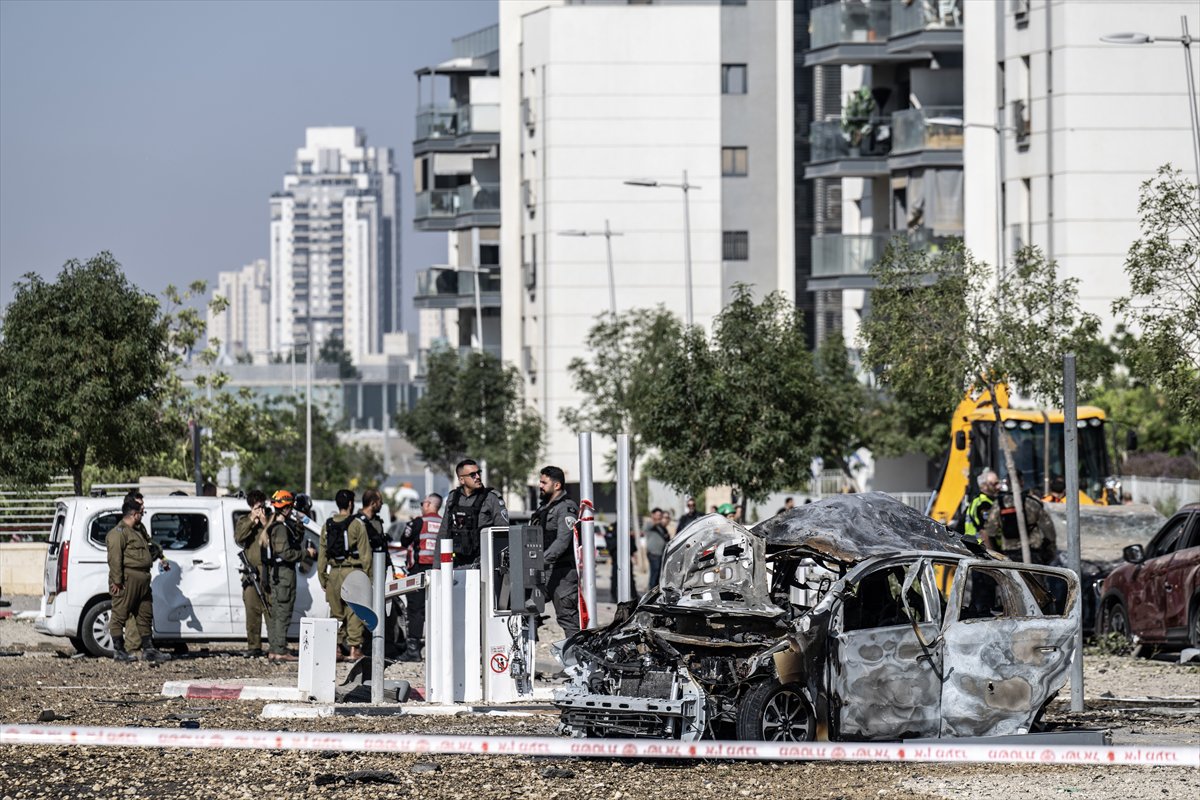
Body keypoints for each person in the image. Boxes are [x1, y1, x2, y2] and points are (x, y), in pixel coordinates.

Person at [106, 496, 170, 662]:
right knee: (119, 614)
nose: (142, 515)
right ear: (134, 514)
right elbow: (115, 559)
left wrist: (160, 556)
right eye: (141, 513)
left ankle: (149, 649)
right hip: (128, 579)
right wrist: (117, 581)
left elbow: (149, 547)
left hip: (143, 579)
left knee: (144, 614)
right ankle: (119, 651)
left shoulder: (138, 531)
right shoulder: (118, 533)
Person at [318, 489, 372, 662]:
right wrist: (369, 579)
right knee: (354, 611)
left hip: (334, 573)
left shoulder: (327, 525)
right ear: (350, 504)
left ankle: (335, 648)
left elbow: (322, 555)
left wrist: (323, 578)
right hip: (352, 572)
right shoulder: (357, 524)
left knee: (336, 613)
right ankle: (354, 649)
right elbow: (366, 555)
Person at [265, 490, 316, 662]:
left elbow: (295, 539)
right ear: (286, 508)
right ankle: (279, 650)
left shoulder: (283, 526)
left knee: (278, 612)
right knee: (283, 612)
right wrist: (306, 553)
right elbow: (286, 553)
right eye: (290, 506)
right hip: (284, 574)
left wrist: (300, 523)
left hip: (281, 574)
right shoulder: (280, 528)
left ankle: (275, 649)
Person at [532, 466, 580, 639]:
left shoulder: (567, 508)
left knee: (568, 618)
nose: (540, 486)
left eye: (544, 482)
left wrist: (539, 561)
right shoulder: (543, 508)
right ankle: (527, 651)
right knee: (527, 609)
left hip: (562, 573)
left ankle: (576, 655)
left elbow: (562, 542)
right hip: (542, 571)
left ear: (557, 485)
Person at [396, 493, 442, 661]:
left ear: (428, 504)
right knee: (438, 610)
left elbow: (404, 541)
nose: (422, 506)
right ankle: (438, 648)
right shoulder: (445, 523)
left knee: (415, 610)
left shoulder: (418, 522)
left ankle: (413, 650)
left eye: (423, 503)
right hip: (440, 571)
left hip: (419, 571)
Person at [441, 459, 508, 567]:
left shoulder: (491, 498)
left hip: (483, 565)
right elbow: (444, 532)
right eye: (473, 475)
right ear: (461, 480)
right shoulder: (453, 498)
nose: (478, 477)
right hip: (456, 564)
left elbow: (503, 533)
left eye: (478, 473)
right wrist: (437, 567)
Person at [233, 489, 270, 657]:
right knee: (252, 609)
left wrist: (264, 522)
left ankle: (275, 644)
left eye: (261, 506)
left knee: (269, 608)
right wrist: (251, 521)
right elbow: (239, 538)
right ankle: (254, 646)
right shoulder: (244, 520)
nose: (260, 510)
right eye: (256, 507)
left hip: (267, 569)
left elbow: (274, 538)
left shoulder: (270, 519)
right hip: (251, 571)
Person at [986, 489, 1058, 565]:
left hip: (1009, 552)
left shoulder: (998, 504)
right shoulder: (1032, 503)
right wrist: (1050, 547)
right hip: (1033, 551)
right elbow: (1049, 529)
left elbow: (990, 531)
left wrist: (996, 551)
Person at [964, 470, 1001, 548]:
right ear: (984, 486)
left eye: (998, 482)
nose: (999, 486)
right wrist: (992, 553)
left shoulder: (982, 501)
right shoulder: (983, 504)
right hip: (982, 547)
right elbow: (984, 532)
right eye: (995, 484)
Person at [643, 508, 669, 590]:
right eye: (658, 515)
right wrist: (660, 521)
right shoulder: (649, 524)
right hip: (653, 553)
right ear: (653, 515)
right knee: (654, 574)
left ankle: (656, 591)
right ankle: (651, 591)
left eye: (660, 515)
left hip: (661, 554)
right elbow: (652, 525)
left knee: (658, 575)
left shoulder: (661, 527)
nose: (659, 517)